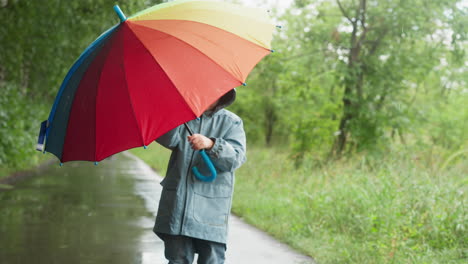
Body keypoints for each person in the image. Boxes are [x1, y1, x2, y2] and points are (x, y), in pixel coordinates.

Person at [154, 89, 246, 264]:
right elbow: (167, 139)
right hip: (178, 208)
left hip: (211, 211)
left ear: (223, 96)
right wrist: (173, 113)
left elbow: (235, 159)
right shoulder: (182, 117)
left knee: (211, 259)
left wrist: (212, 144)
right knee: (178, 259)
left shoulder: (231, 122)